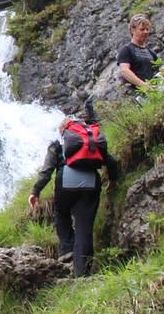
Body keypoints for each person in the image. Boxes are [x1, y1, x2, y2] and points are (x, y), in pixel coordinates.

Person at [29, 117, 121, 277]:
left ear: (62, 130)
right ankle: (82, 273)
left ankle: (67, 253)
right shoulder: (92, 141)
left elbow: (47, 171)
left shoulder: (57, 144)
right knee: (84, 229)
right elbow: (112, 163)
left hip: (66, 182)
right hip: (91, 183)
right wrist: (113, 181)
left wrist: (35, 191)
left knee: (61, 215)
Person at [116, 15, 160, 95]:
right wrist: (143, 85)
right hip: (134, 95)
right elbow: (124, 70)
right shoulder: (126, 50)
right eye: (142, 29)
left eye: (147, 29)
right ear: (133, 30)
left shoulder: (150, 52)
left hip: (151, 94)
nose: (146, 32)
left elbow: (160, 67)